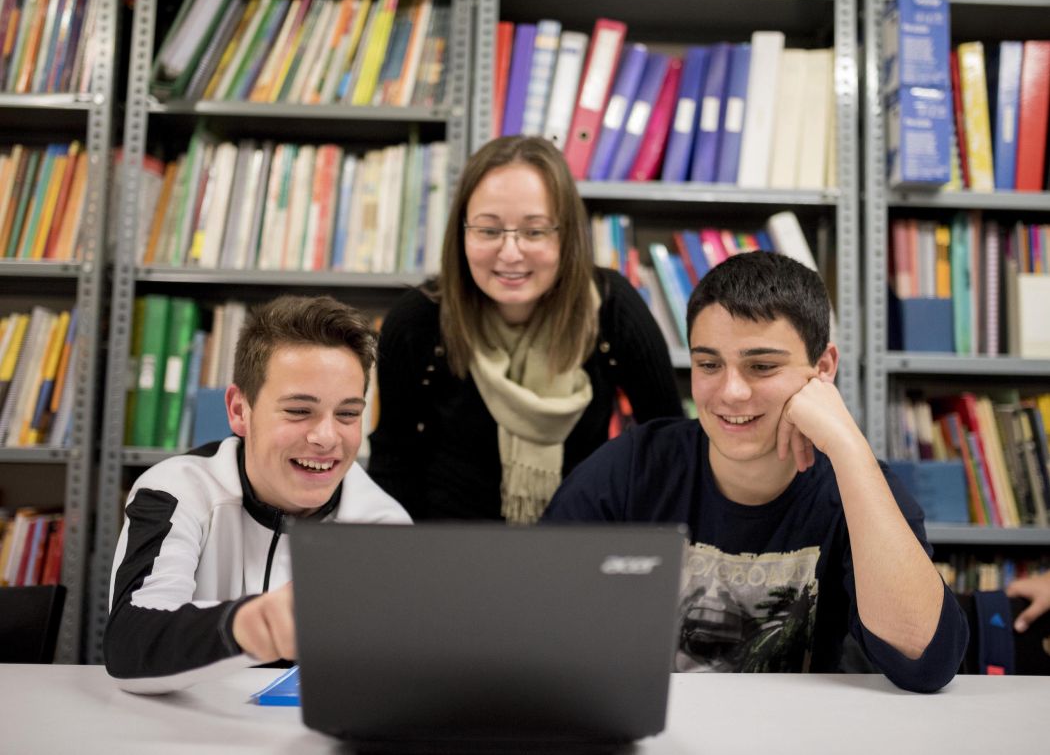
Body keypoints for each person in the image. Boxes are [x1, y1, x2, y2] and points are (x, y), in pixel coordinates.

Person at [544, 250, 968, 693]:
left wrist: (847, 445)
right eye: (708, 364)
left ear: (823, 368)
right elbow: (533, 607)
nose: (731, 392)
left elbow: (925, 662)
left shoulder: (856, 484)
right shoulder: (634, 465)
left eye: (761, 366)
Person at [368, 135, 683, 523]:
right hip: (446, 557)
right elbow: (393, 462)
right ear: (462, 233)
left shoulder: (611, 307)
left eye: (534, 231)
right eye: (488, 230)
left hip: (582, 547)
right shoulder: (418, 320)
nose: (511, 253)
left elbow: (670, 448)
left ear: (565, 235)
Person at [105, 295, 410, 693]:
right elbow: (130, 644)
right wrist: (247, 624)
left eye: (348, 414)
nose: (326, 437)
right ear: (238, 410)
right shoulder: (175, 490)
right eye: (299, 411)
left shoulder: (384, 524)